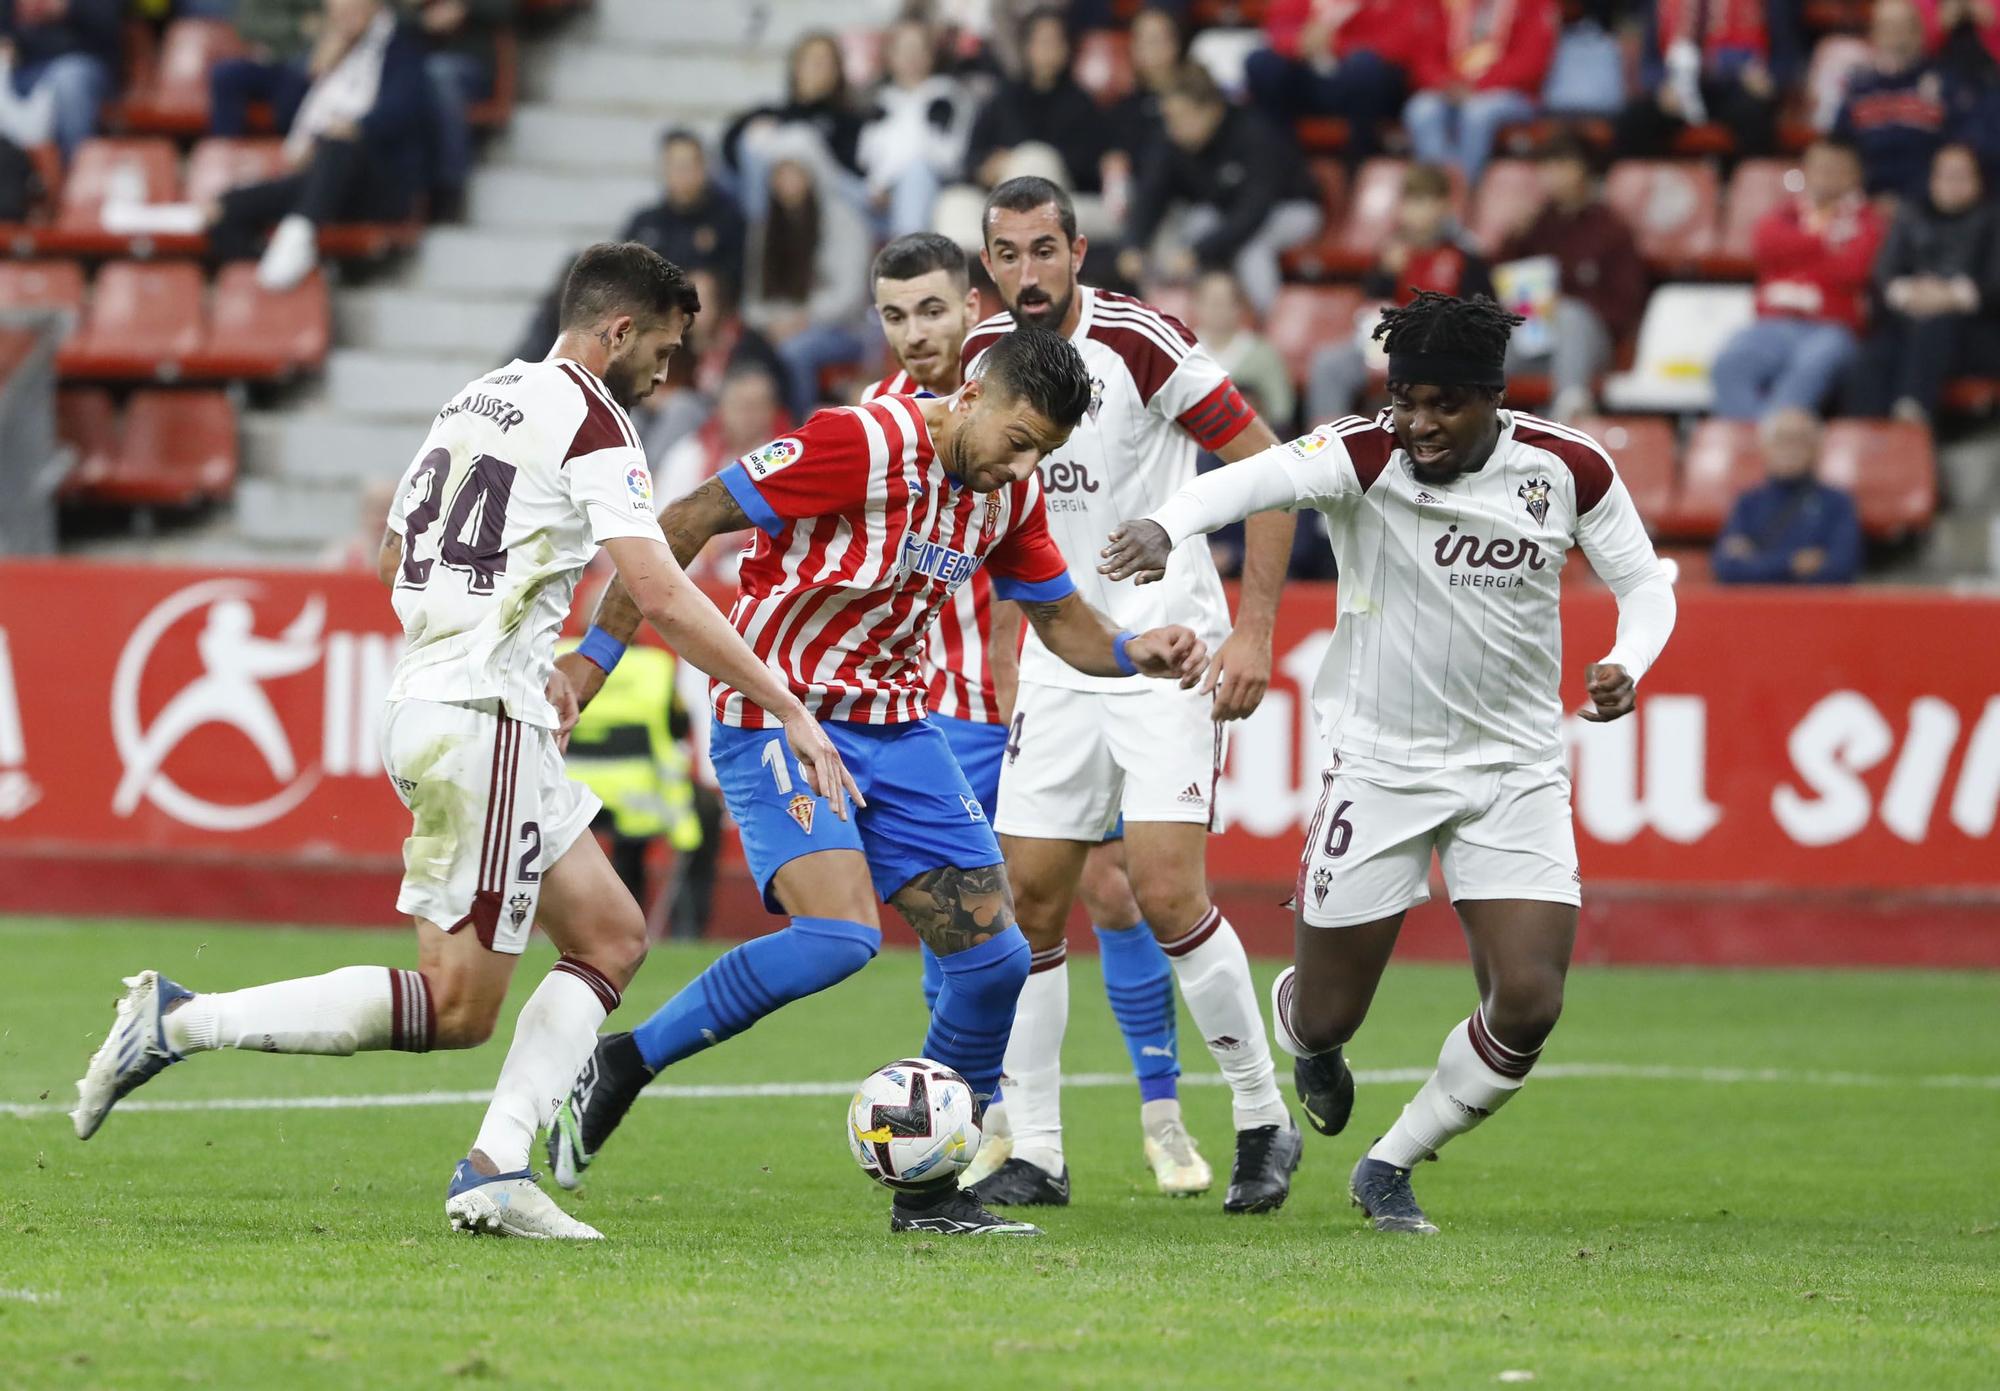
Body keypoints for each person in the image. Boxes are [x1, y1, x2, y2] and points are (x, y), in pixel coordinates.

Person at [72, 242, 860, 1241]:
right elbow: (659, 587)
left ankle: (494, 1165)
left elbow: (390, 549)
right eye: (662, 350)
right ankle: (179, 1021)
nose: (670, 374)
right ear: (617, 332)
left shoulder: (479, 395)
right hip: (481, 716)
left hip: (456, 698)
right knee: (457, 1008)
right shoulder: (594, 417)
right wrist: (785, 701)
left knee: (612, 934)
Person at [547, 328, 1211, 1238]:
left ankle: (929, 1194)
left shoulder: (1005, 500)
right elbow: (681, 523)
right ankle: (624, 1062)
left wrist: (1140, 651)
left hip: (898, 728)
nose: (1024, 467)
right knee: (837, 938)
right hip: (781, 715)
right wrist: (592, 661)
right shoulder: (859, 443)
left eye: (1044, 454)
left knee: (996, 961)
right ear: (972, 397)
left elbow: (1062, 623)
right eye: (1019, 441)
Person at [1101, 291, 1678, 1234]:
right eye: (1405, 399)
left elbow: (1645, 587)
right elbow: (1246, 481)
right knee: (1326, 1019)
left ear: (1492, 398)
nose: (1418, 424)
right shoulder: (1363, 451)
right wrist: (1170, 525)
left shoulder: (1567, 468)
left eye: (1441, 404)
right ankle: (1304, 1033)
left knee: (1529, 999)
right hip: (1380, 767)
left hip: (1517, 770)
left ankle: (1390, 1162)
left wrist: (1625, 662)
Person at [963, 176, 1304, 1216]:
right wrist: (1003, 638)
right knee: (1028, 904)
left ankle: (1259, 1115)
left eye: (1042, 250)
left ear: (1076, 248)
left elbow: (1270, 467)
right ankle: (1041, 1150)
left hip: (1167, 650)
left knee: (1161, 891)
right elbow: (1005, 511)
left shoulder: (1142, 342)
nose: (1025, 273)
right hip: (1064, 658)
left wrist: (1250, 631)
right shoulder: (985, 358)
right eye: (1006, 254)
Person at [862, 231, 1210, 1197]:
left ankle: (1162, 1110)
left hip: (1025, 693)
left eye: (933, 310)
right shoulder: (881, 427)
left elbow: (1050, 585)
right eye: (895, 315)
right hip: (932, 709)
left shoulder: (1024, 413)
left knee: (1110, 890)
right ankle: (992, 1125)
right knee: (970, 931)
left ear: (973, 313)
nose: (916, 333)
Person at [204, 0, 430, 291]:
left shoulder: (401, 44)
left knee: (338, 144)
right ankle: (296, 275)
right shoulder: (326, 45)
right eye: (338, 10)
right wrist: (313, 71)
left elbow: (402, 111)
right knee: (224, 208)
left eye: (352, 9)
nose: (344, 16)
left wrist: (354, 127)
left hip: (379, 182)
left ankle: (298, 234)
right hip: (320, 177)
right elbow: (285, 117)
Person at [516, 131, 748, 364]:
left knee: (701, 289)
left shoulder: (726, 220)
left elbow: (734, 276)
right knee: (576, 275)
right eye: (674, 165)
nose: (682, 173)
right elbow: (618, 268)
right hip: (640, 307)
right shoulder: (645, 221)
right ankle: (534, 365)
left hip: (690, 314)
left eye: (688, 165)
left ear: (703, 168)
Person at [1116, 62, 1323, 314]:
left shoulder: (1254, 132)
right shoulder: (1170, 140)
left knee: (1251, 248)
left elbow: (1254, 210)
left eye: (1182, 117)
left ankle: (1270, 326)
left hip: (1290, 208)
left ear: (1211, 110)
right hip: (1225, 210)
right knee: (1192, 226)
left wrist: (1199, 252)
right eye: (1169, 118)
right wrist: (1133, 244)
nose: (1173, 126)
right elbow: (1151, 193)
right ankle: (1188, 325)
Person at [1712, 137, 1887, 419]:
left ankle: (1774, 444)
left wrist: (1796, 253)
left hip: (1831, 328)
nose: (1825, 176)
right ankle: (1757, 443)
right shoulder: (1785, 213)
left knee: (1811, 366)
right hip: (1773, 323)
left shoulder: (1869, 221)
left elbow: (1853, 269)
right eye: (1819, 167)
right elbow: (1765, 242)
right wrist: (1824, 244)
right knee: (1730, 362)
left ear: (1855, 175)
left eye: (1835, 169)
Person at [1307, 162, 1493, 424]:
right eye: (1411, 203)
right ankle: (1326, 447)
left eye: (1425, 203)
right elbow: (1371, 303)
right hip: (1390, 345)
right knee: (1329, 364)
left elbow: (1483, 314)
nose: (1417, 213)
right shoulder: (1393, 252)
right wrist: (1386, 274)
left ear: (1444, 206)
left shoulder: (1464, 254)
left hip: (1443, 349)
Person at [1496, 132, 1648, 421]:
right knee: (1494, 331)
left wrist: (1568, 307)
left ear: (1583, 169)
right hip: (1534, 339)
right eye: (1545, 167)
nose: (1551, 175)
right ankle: (1472, 412)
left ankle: (1569, 411)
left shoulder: (1610, 229)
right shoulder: (1534, 225)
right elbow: (1503, 283)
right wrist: (1512, 239)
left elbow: (1625, 303)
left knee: (1568, 314)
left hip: (1591, 342)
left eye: (1560, 165)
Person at [1855, 141, 2000, 422]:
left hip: (1977, 334)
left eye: (1961, 176)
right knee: (1872, 357)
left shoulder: (1994, 219)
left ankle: (1911, 424)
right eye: (1944, 175)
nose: (1951, 184)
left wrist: (1950, 296)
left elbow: (1995, 285)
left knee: (1934, 327)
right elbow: (1884, 274)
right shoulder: (1911, 213)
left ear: (1979, 180)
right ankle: (1865, 438)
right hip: (1910, 322)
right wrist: (1909, 293)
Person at [740, 128, 874, 421]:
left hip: (843, 328)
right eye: (779, 174)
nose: (786, 183)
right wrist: (773, 323)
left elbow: (849, 296)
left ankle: (800, 428)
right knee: (743, 351)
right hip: (777, 325)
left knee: (795, 351)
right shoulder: (765, 226)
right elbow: (753, 297)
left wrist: (800, 319)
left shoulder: (843, 220)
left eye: (794, 172)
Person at [1614, 0, 1801, 158]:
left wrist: (1770, 78)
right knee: (1634, 121)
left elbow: (1788, 58)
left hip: (1738, 88)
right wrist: (1661, 85)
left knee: (1755, 119)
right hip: (1678, 87)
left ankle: (1744, 189)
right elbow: (1649, 64)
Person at [1401, 0, 1560, 183]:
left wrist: (1478, 86)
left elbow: (1532, 63)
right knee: (1421, 110)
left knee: (1477, 114)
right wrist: (1444, 83)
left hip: (1512, 95)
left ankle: (1462, 192)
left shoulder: (1533, 4)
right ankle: (1438, 190)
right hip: (1453, 89)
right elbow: (1425, 56)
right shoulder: (1454, 4)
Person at [1835, 0, 1976, 203]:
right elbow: (1840, 148)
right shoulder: (1858, 88)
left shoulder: (1945, 85)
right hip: (1866, 202)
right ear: (1874, 32)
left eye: (1904, 26)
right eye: (1888, 26)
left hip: (1928, 206)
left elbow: (1958, 149)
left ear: (1918, 31)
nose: (1896, 35)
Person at [962, 7, 1111, 198]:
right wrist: (985, 169)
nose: (1048, 49)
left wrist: (1015, 160)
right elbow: (972, 158)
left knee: (1035, 159)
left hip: (1061, 200)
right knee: (955, 201)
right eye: (1041, 41)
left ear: (1067, 48)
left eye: (1055, 41)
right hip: (999, 194)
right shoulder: (1003, 97)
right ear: (1026, 47)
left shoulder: (1082, 103)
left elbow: (1089, 168)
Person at [1242, 0, 1415, 159]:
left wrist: (1334, 43)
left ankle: (1362, 162)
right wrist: (1299, 42)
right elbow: (1276, 30)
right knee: (1262, 63)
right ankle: (1276, 160)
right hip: (1307, 80)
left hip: (1365, 87)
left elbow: (1399, 44)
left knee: (1365, 66)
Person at [1712, 408, 1865, 583]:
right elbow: (1726, 567)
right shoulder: (1748, 502)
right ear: (1765, 448)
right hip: (1756, 607)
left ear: (1817, 448)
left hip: (1815, 607)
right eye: (1782, 440)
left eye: (1800, 441)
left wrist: (1757, 560)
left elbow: (1840, 567)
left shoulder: (1838, 503)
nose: (1790, 449)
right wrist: (1792, 562)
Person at [857, 17, 972, 237]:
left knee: (916, 172)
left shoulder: (946, 96)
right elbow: (865, 155)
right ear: (890, 56)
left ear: (931, 54)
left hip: (934, 189)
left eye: (918, 48)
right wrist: (878, 187)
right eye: (903, 49)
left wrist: (888, 182)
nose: (911, 56)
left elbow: (949, 156)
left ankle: (908, 262)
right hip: (879, 199)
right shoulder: (879, 101)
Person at [0, 0, 118, 160]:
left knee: (69, 81)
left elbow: (112, 19)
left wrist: (66, 7)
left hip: (83, 64)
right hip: (24, 68)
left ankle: (77, 172)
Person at [208, 0, 320, 139]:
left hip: (304, 66)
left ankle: (290, 150)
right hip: (266, 61)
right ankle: (224, 147)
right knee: (224, 76)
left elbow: (325, 25)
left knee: (295, 85)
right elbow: (248, 25)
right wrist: (296, 26)